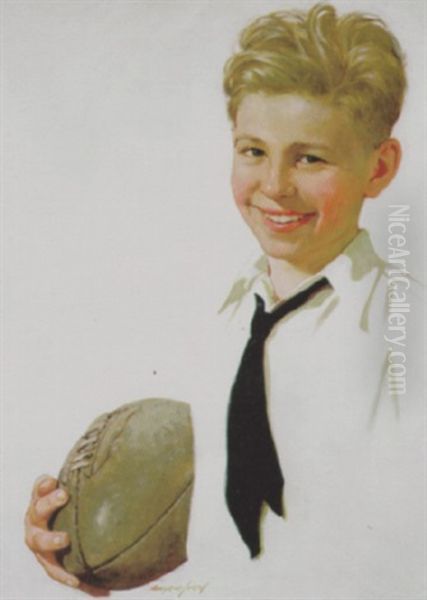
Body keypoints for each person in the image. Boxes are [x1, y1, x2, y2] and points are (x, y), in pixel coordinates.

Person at [24, 3, 424, 598]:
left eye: (310, 157)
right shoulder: (223, 316)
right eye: (253, 151)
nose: (274, 186)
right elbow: (222, 537)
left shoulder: (403, 333)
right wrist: (81, 541)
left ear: (380, 167)